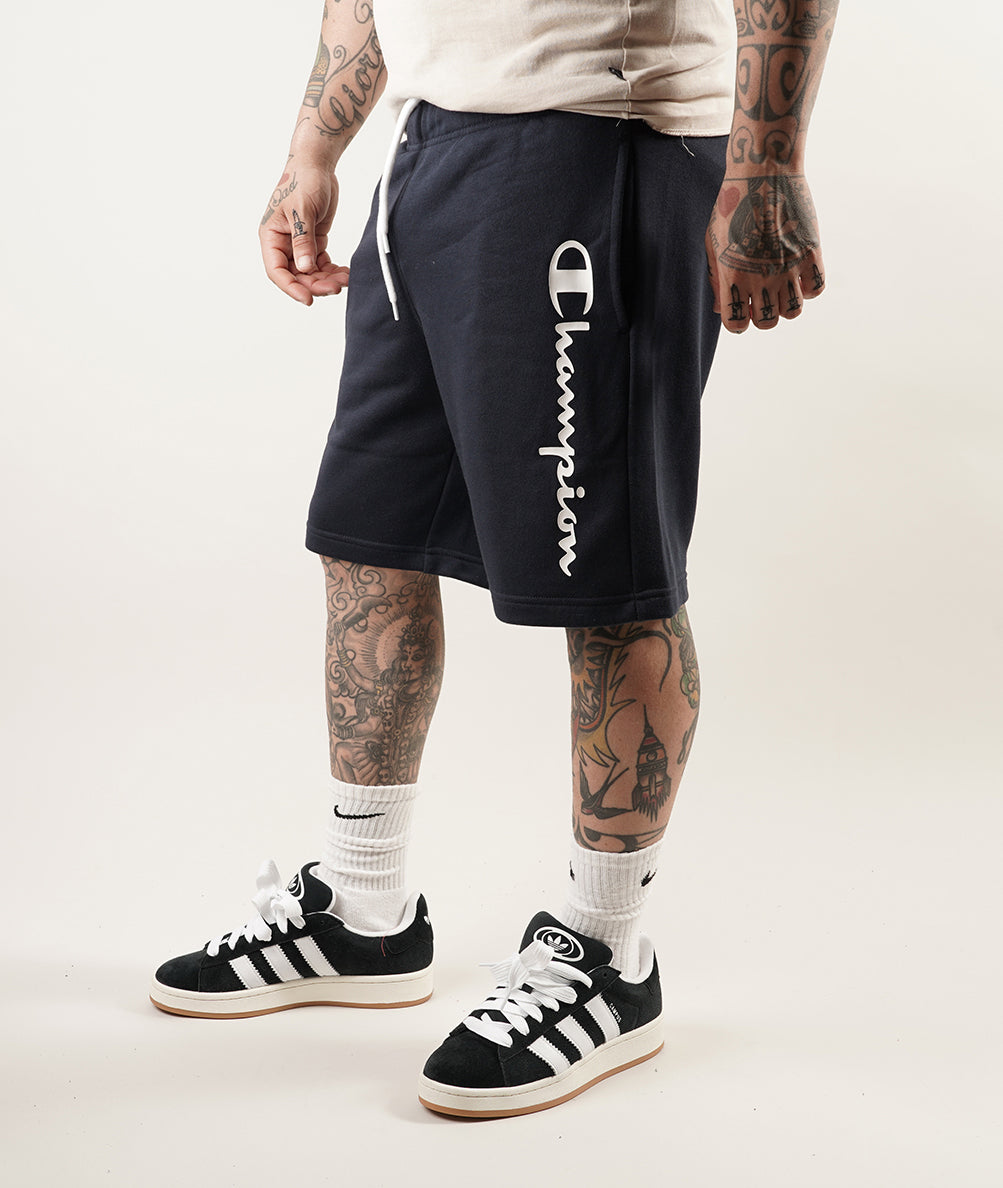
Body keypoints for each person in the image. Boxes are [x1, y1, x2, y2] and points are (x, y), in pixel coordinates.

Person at [150, 0, 839, 1118]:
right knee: (369, 544)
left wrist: (766, 166)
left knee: (608, 582)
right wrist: (313, 149)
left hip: (598, 152)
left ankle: (607, 956)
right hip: (430, 152)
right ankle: (363, 908)